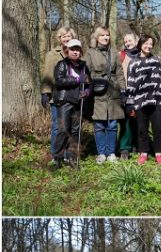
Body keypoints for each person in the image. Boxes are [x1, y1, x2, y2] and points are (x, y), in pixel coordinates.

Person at [85, 27, 126, 164]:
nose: (105, 37)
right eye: (102, 35)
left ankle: (111, 152)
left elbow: (119, 73)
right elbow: (86, 73)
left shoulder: (114, 53)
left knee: (113, 124)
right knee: (99, 124)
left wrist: (123, 90)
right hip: (98, 92)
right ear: (97, 38)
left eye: (107, 35)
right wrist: (87, 89)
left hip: (113, 91)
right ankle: (101, 153)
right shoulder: (90, 53)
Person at [126, 35, 161, 164]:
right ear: (140, 44)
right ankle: (143, 152)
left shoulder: (157, 60)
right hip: (140, 100)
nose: (148, 46)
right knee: (142, 128)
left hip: (157, 100)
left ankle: (158, 153)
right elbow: (131, 83)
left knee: (158, 127)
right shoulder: (133, 62)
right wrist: (130, 102)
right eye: (146, 43)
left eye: (151, 44)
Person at [51, 39, 92, 168]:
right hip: (65, 101)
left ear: (81, 51)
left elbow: (89, 82)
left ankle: (72, 157)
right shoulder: (62, 64)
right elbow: (59, 81)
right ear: (67, 50)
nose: (75, 52)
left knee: (76, 130)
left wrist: (87, 92)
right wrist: (77, 79)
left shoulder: (84, 66)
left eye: (77, 49)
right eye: (72, 49)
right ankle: (57, 158)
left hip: (79, 102)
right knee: (63, 130)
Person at [41, 26, 75, 158]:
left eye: (69, 36)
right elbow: (47, 75)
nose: (66, 38)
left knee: (70, 126)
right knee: (58, 127)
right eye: (63, 36)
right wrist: (45, 92)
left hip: (73, 96)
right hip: (57, 96)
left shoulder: (77, 52)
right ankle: (56, 155)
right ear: (59, 38)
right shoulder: (52, 54)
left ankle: (68, 154)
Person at [118, 32, 141, 159]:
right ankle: (124, 148)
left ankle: (138, 144)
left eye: (130, 40)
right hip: (126, 92)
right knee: (126, 121)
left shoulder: (142, 55)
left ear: (136, 41)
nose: (127, 43)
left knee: (140, 120)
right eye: (125, 41)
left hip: (141, 93)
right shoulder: (121, 56)